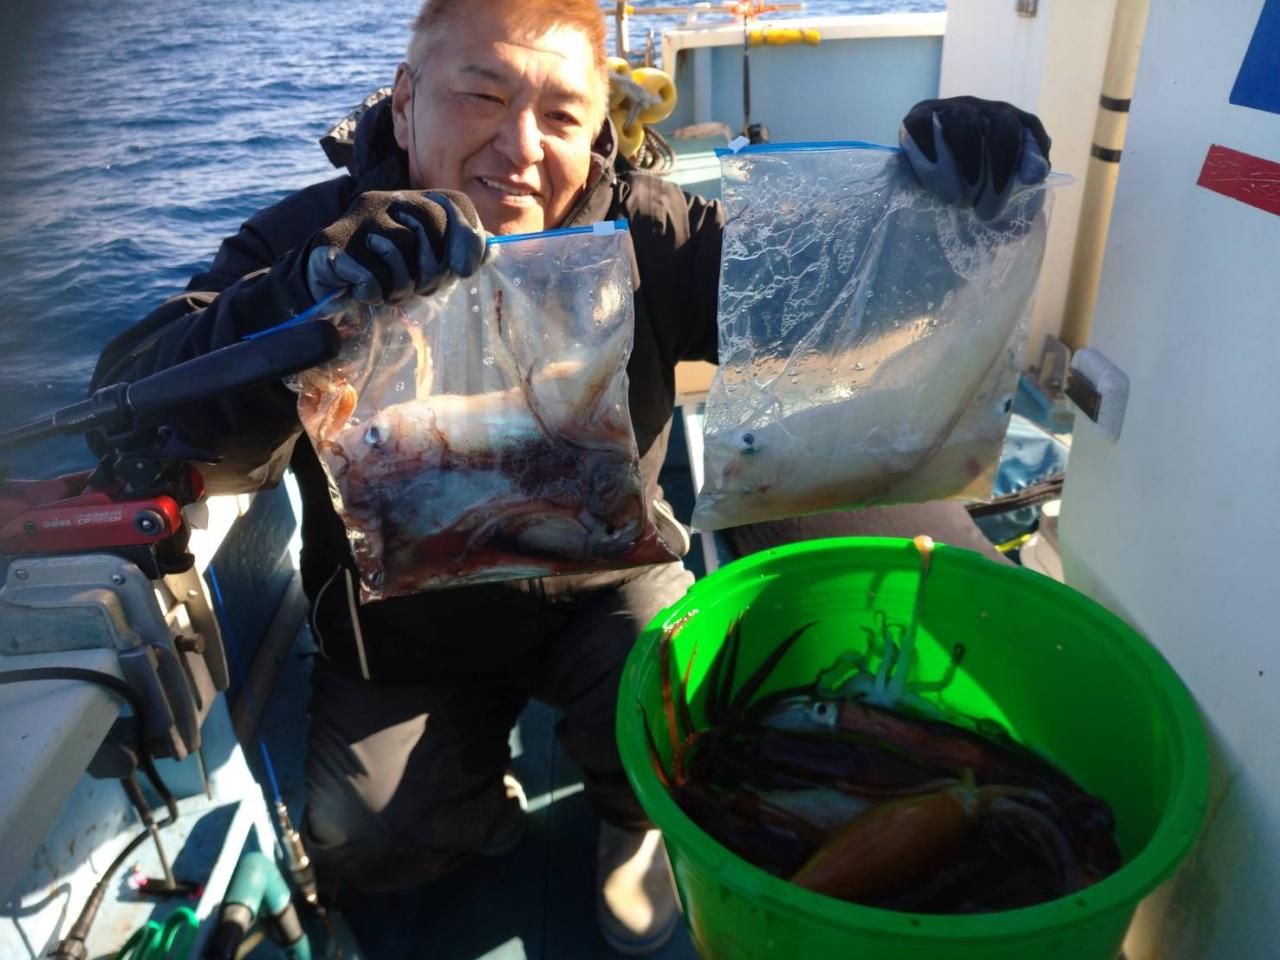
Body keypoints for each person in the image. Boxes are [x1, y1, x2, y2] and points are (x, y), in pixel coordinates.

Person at [90, 0, 1051, 953]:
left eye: (560, 116)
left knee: (689, 718)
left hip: (605, 593)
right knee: (374, 841)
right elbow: (139, 406)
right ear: (405, 100)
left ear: (598, 130)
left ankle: (632, 825)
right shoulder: (313, 244)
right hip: (403, 632)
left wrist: (956, 208)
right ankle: (476, 811)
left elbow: (820, 298)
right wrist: (298, 299)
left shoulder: (646, 230)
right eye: (482, 95)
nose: (521, 148)